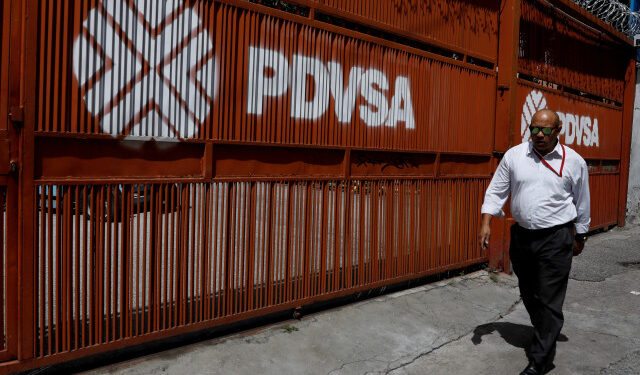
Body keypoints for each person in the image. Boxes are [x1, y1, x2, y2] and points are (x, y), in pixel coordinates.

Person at [478, 109, 590, 375]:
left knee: (550, 298)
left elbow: (582, 201)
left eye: (546, 130)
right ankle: (545, 330)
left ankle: (540, 361)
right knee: (529, 293)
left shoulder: (574, 161)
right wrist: (486, 222)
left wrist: (580, 235)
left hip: (556, 237)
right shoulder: (515, 156)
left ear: (558, 130)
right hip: (523, 237)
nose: (539, 135)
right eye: (534, 129)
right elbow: (496, 190)